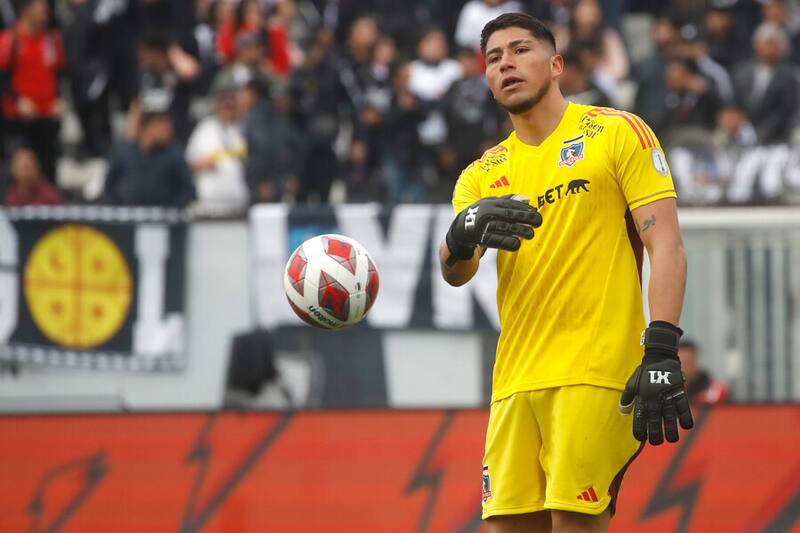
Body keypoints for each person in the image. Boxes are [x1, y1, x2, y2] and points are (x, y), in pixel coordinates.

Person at [439, 13, 693, 532]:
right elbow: (455, 272)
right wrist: (461, 234)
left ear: (556, 65)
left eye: (520, 50)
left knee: (574, 522)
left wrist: (663, 348)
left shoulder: (616, 133)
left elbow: (665, 243)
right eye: (493, 58)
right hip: (514, 381)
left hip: (594, 373)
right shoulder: (480, 175)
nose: (505, 63)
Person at [0, 0, 64, 181]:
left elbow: (58, 73)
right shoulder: (10, 40)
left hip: (46, 117)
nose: (45, 13)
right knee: (18, 170)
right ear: (25, 11)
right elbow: (2, 78)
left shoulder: (52, 40)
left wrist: (58, 98)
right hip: (19, 121)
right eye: (40, 8)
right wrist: (18, 100)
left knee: (49, 169)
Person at [103, 98, 195, 208]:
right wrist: (117, 209)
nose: (168, 130)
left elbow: (187, 190)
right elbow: (109, 186)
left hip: (164, 215)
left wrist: (172, 210)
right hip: (127, 215)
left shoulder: (174, 153)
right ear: (147, 126)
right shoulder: (123, 151)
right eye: (162, 125)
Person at [185, 70, 249, 216]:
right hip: (209, 206)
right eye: (223, 100)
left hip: (239, 206)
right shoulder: (204, 128)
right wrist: (198, 166)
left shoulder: (242, 130)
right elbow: (187, 163)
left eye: (231, 100)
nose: (228, 104)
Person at [678, 339, 729, 406]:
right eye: (678, 364)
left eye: (687, 363)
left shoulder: (715, 392)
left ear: (696, 362)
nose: (682, 369)